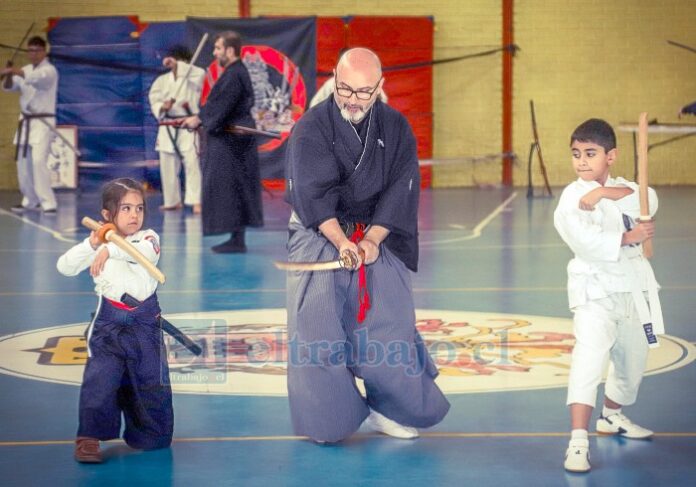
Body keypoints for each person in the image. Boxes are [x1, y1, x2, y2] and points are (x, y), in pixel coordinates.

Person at [283, 47, 450, 443]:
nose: (353, 100)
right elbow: (310, 193)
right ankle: (330, 418)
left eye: (363, 92)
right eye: (344, 89)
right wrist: (342, 242)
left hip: (377, 228)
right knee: (317, 323)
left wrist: (373, 240)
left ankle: (386, 408)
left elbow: (401, 187)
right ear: (333, 82)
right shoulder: (311, 127)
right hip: (319, 228)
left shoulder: (395, 127)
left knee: (388, 321)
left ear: (380, 87)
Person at [554, 119, 664, 473]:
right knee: (589, 359)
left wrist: (602, 193)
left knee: (632, 363)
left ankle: (612, 416)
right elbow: (582, 241)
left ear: (611, 156)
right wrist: (626, 238)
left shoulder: (624, 187)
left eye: (590, 153)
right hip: (595, 291)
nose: (582, 161)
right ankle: (577, 441)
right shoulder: (571, 197)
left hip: (634, 289)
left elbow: (649, 199)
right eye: (576, 154)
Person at [57, 178, 173, 463]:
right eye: (125, 209)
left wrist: (110, 248)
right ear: (107, 215)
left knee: (150, 383)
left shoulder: (149, 238)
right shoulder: (98, 244)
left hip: (145, 324)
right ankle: (89, 439)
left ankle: (148, 433)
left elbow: (143, 255)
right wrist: (93, 243)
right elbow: (65, 267)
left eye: (139, 208)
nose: (134, 215)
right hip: (109, 324)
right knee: (101, 382)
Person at [181, 31, 263, 253]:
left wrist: (199, 118)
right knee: (233, 188)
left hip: (232, 142)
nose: (215, 52)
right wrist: (201, 118)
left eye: (218, 48)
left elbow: (222, 105)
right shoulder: (233, 72)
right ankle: (236, 238)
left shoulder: (235, 74)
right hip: (232, 140)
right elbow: (218, 104)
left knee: (230, 187)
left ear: (229, 50)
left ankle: (237, 239)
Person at [1, 36, 58, 213]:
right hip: (25, 122)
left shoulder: (49, 70)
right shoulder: (24, 69)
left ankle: (48, 202)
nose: (32, 54)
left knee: (39, 161)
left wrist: (13, 70)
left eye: (35, 50)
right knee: (23, 163)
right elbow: (9, 87)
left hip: (43, 122)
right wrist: (8, 74)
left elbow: (35, 79)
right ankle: (29, 200)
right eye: (29, 50)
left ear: (43, 51)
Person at [149, 45, 205, 213]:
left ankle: (196, 201)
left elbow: (201, 74)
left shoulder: (193, 77)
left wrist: (179, 66)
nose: (174, 64)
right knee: (167, 163)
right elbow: (154, 99)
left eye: (178, 61)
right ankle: (172, 201)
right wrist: (162, 106)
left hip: (188, 123)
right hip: (167, 124)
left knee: (192, 162)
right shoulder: (161, 80)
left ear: (185, 62)